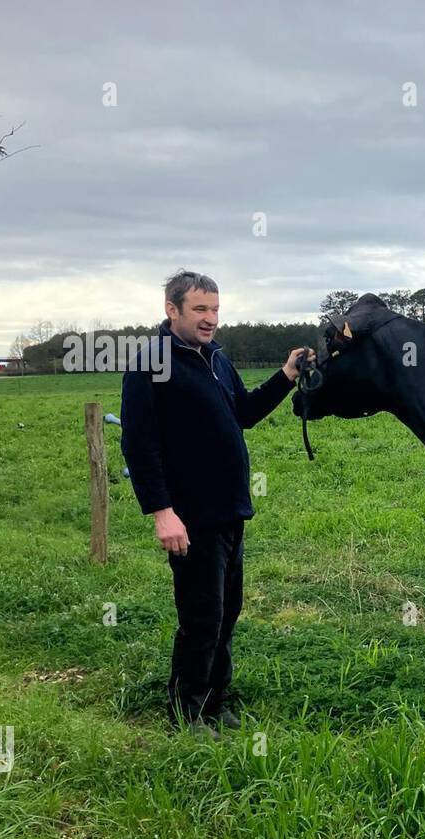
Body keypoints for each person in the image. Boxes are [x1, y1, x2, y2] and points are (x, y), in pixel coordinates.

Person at [120, 269, 313, 737]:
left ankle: (215, 699)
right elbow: (139, 444)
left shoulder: (217, 360)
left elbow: (242, 414)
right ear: (172, 310)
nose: (211, 319)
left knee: (227, 611)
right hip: (189, 517)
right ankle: (186, 712)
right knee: (201, 616)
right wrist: (162, 513)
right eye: (200, 310)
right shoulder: (151, 363)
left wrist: (286, 376)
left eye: (216, 310)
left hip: (230, 511)